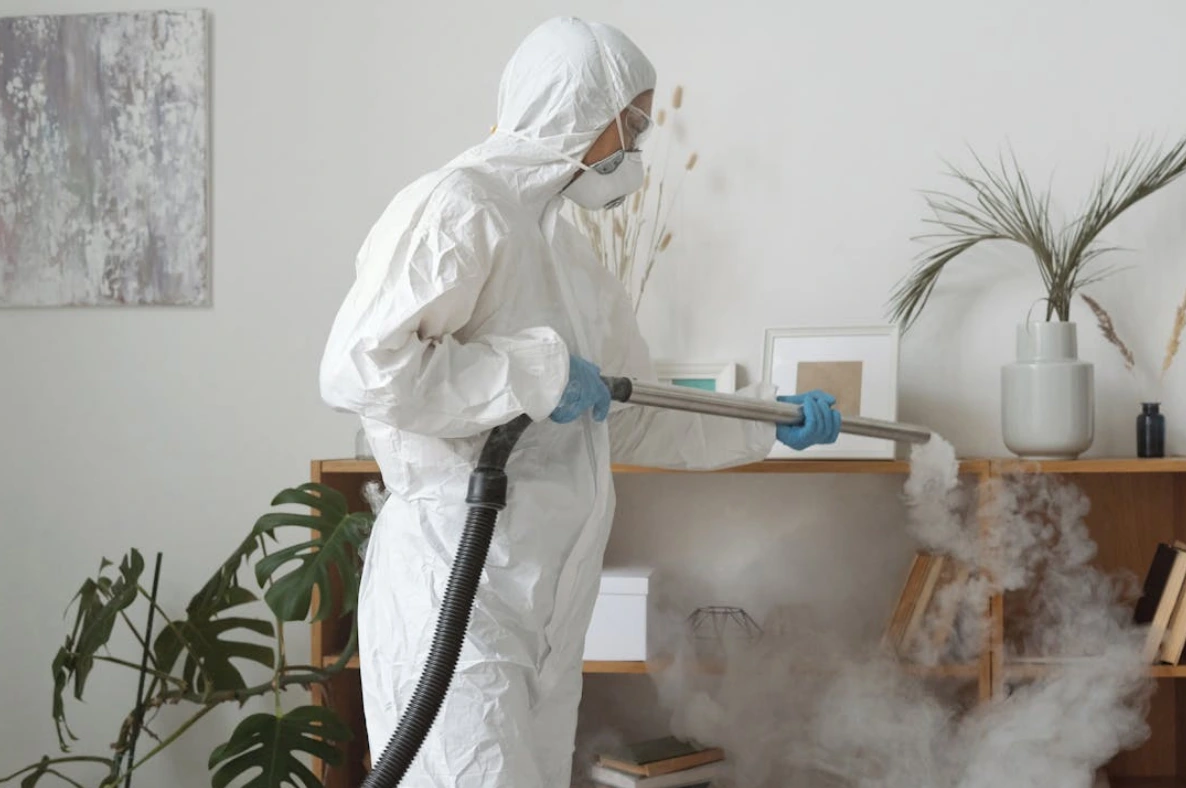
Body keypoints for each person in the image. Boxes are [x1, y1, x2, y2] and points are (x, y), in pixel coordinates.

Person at [318, 17, 842, 788]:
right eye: (628, 123)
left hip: (549, 598)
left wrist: (768, 421)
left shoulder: (567, 250)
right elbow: (363, 368)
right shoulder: (458, 206)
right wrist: (532, 372)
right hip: (455, 581)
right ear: (576, 111)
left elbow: (632, 411)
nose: (636, 146)